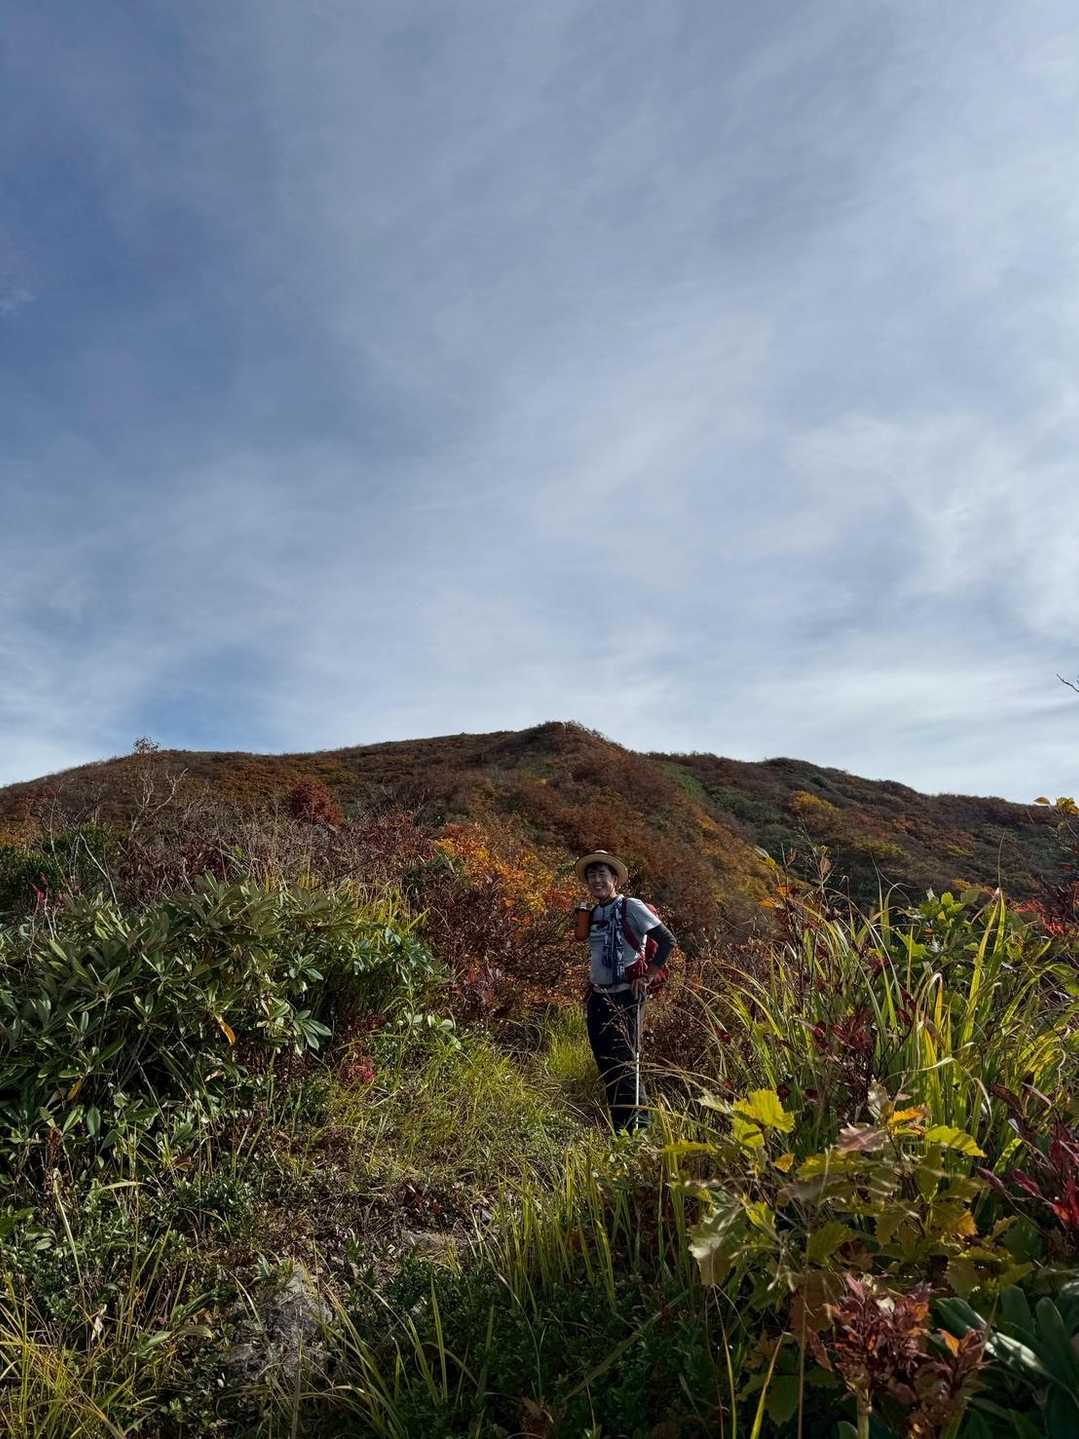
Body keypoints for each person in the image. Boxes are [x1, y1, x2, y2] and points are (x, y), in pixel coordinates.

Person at [574, 849, 676, 1132]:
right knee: (606, 1062)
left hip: (626, 996)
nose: (596, 880)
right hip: (598, 996)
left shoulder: (631, 906)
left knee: (627, 1064)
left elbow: (667, 940)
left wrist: (648, 976)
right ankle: (620, 1130)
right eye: (591, 876)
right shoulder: (594, 912)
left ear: (615, 879)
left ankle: (638, 1132)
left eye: (602, 875)